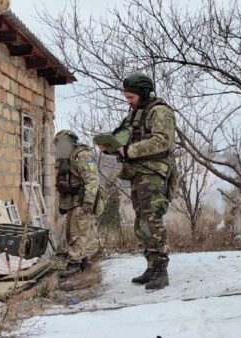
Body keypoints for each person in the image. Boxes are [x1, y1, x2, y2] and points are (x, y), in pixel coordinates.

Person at [99, 72, 177, 291]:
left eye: (131, 97)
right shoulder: (134, 114)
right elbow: (123, 137)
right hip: (137, 174)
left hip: (153, 173)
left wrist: (129, 150)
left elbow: (162, 141)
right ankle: (152, 266)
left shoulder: (160, 112)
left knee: (152, 221)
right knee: (141, 223)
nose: (128, 101)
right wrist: (111, 147)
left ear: (143, 93)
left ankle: (161, 269)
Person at [54, 130, 100, 278]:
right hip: (71, 202)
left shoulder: (83, 156)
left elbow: (92, 180)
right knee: (71, 232)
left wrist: (88, 201)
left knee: (77, 232)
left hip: (82, 201)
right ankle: (83, 260)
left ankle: (74, 262)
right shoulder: (65, 159)